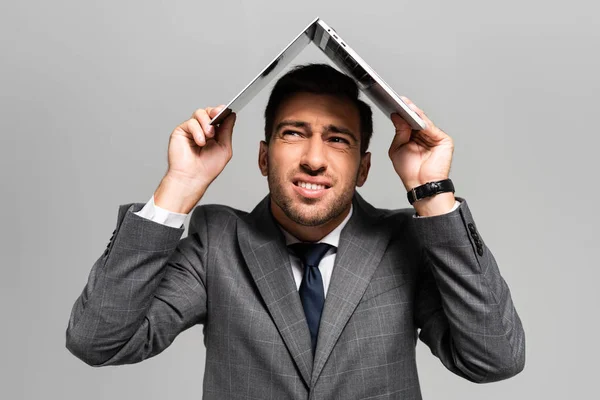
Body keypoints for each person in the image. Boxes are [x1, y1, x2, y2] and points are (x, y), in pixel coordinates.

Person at [66, 63, 525, 399]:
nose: (313, 158)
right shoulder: (216, 243)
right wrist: (181, 186)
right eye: (293, 134)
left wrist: (433, 191)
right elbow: (98, 340)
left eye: (338, 139)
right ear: (264, 157)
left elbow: (494, 358)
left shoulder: (405, 242)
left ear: (364, 167)